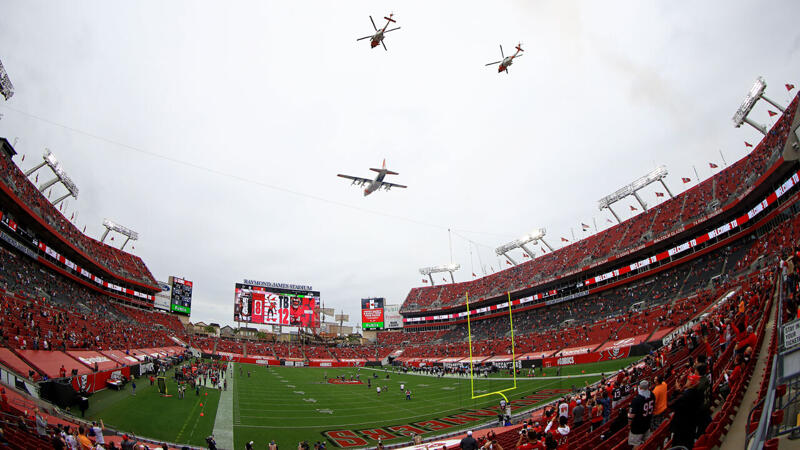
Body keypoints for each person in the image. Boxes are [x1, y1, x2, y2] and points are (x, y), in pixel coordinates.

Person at [628, 381, 655, 447]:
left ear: (639, 387)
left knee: (636, 445)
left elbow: (631, 416)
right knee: (646, 443)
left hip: (637, 427)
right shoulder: (652, 395)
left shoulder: (636, 399)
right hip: (647, 423)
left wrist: (629, 424)